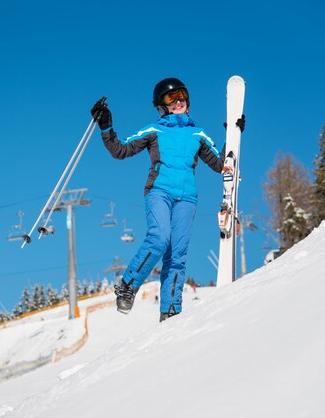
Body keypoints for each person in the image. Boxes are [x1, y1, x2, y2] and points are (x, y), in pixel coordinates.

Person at [90, 77, 245, 322]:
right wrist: (106, 126)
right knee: (159, 238)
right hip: (159, 191)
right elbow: (120, 150)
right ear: (162, 106)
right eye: (171, 98)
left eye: (182, 95)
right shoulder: (154, 131)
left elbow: (220, 164)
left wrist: (232, 135)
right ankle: (128, 285)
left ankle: (170, 312)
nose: (179, 101)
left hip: (187, 199)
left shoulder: (198, 133)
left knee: (177, 256)